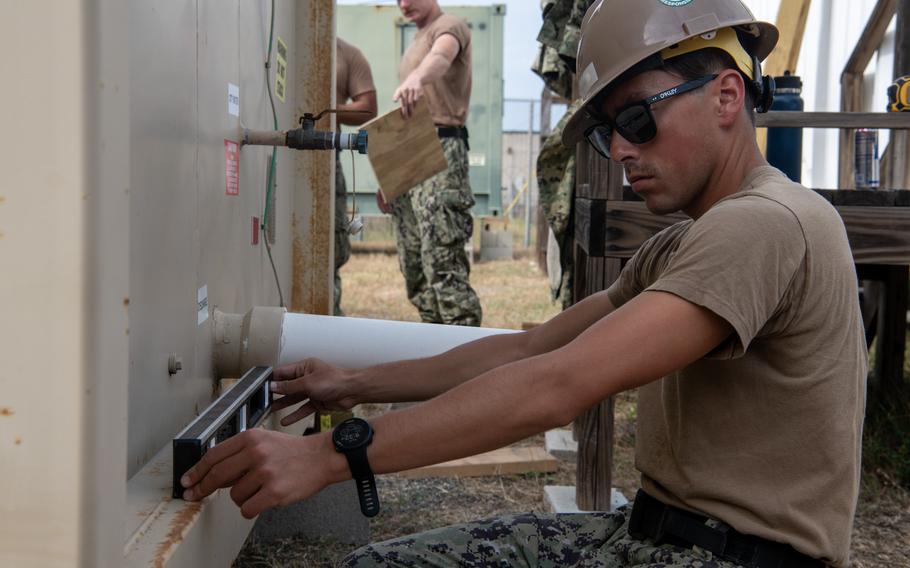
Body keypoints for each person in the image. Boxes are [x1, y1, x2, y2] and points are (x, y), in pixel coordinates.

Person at [180, 0, 867, 566]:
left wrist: (333, 457)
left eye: (636, 118)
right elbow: (529, 349)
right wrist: (354, 384)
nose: (622, 149)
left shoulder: (768, 224)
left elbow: (557, 385)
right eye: (607, 134)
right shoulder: (687, 242)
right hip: (655, 537)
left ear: (726, 97)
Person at [375, 0, 483, 326]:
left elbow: (441, 56)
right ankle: (434, 349)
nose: (403, 4)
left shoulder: (450, 26)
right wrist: (389, 177)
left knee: (442, 260)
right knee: (414, 265)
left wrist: (417, 79)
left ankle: (464, 351)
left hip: (442, 148)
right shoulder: (415, 40)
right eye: (397, 0)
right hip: (411, 149)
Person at [333, 37, 377, 316]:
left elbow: (368, 107)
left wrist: (327, 108)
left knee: (329, 253)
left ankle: (327, 321)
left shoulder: (347, 53)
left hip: (325, 162)